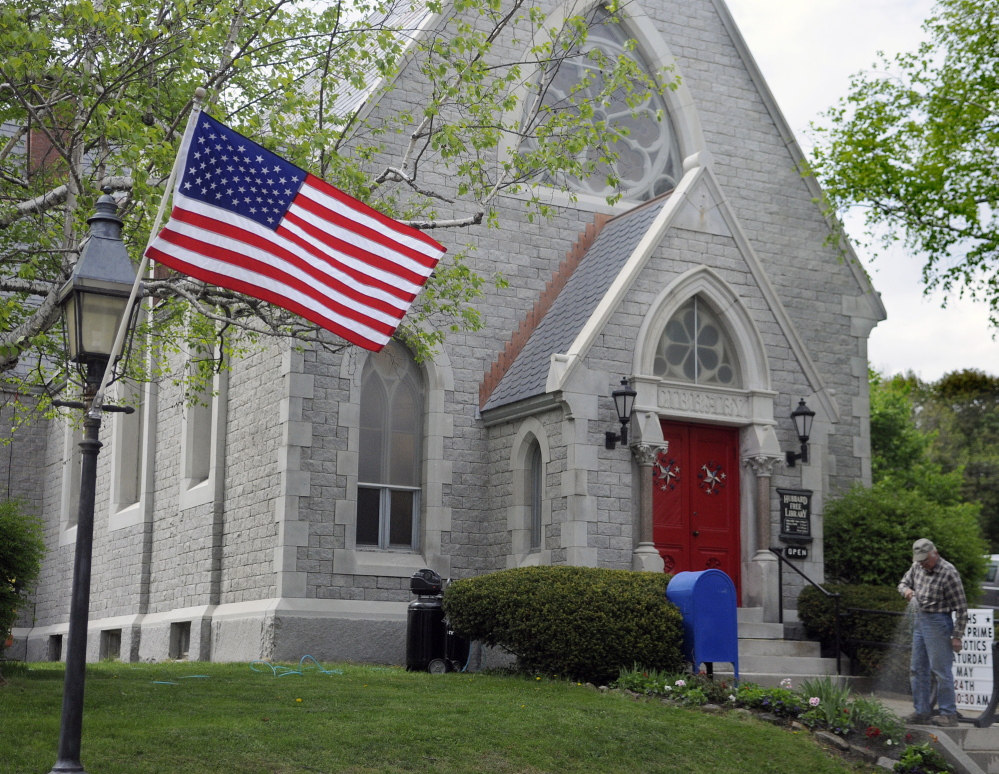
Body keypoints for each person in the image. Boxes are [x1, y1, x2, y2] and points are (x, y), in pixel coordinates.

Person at [898, 538, 967, 727]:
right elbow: (902, 583)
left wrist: (957, 636)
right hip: (920, 620)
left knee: (940, 670)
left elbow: (961, 607)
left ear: (934, 554)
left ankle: (948, 714)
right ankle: (921, 711)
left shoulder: (949, 573)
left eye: (925, 560)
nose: (922, 564)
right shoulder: (916, 566)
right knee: (917, 668)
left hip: (939, 621)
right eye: (919, 560)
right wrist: (907, 592)